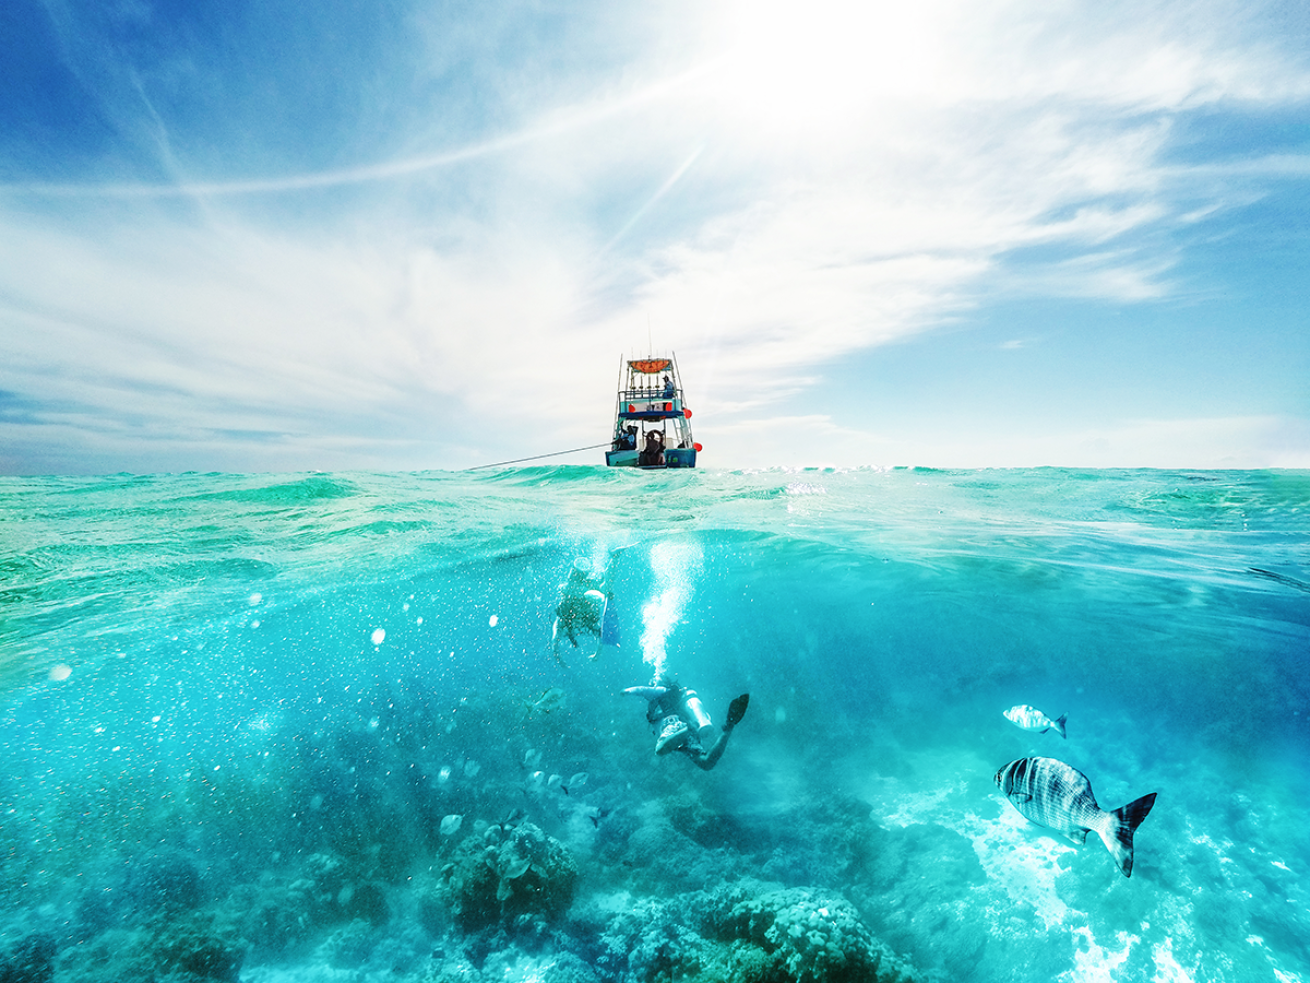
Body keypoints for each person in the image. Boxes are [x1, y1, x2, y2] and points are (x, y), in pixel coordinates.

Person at [623, 674, 749, 771]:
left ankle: (676, 731)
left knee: (706, 763)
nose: (654, 685)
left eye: (655, 683)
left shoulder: (662, 695)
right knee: (706, 763)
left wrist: (627, 691)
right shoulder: (667, 697)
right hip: (686, 731)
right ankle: (729, 726)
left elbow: (641, 690)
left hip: (683, 728)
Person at [552, 558, 609, 664]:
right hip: (584, 591)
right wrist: (597, 654)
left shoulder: (562, 622)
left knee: (600, 589)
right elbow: (601, 637)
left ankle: (609, 564)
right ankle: (611, 562)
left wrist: (559, 660)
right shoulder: (586, 621)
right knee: (600, 586)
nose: (577, 622)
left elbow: (555, 643)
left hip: (580, 591)